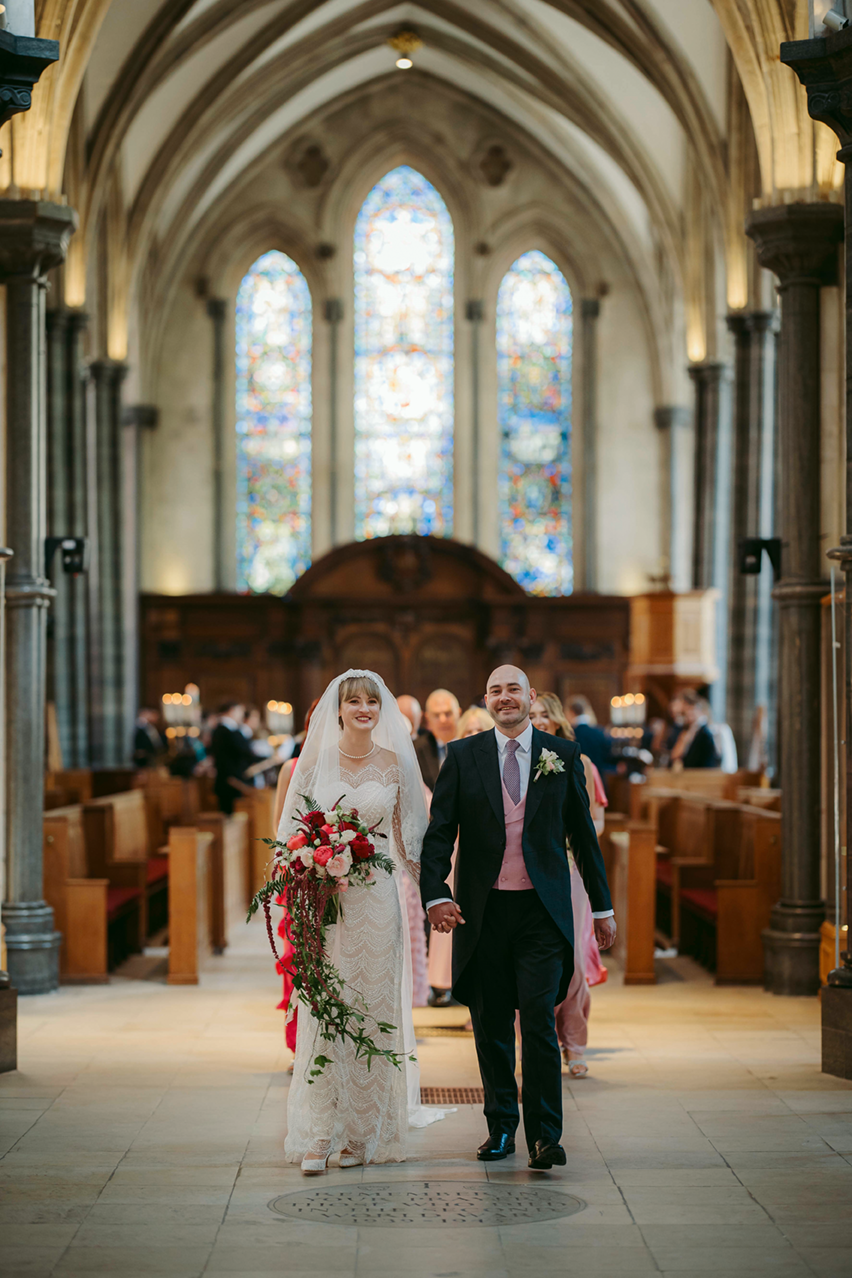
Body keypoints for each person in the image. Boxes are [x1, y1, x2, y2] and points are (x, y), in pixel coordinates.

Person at [421, 665, 616, 1171]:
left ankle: (545, 1136)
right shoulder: (463, 756)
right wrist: (435, 894)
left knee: (537, 1022)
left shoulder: (563, 755)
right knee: (490, 1025)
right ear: (485, 699)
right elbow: (440, 832)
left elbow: (583, 837)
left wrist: (602, 907)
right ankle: (502, 1128)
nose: (505, 698)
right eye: (495, 690)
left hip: (541, 911)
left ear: (531, 697)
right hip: (482, 910)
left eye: (514, 689)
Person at [282, 670, 447, 1173]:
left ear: (382, 711)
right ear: (337, 709)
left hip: (376, 902)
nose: (363, 709)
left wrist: (437, 897)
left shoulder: (397, 764)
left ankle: (361, 1134)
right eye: (353, 701)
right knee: (326, 1010)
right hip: (327, 905)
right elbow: (290, 834)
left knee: (370, 1012)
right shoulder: (314, 765)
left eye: (371, 702)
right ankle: (319, 1135)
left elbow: (411, 844)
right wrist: (310, 861)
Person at [530, 692, 608, 1077]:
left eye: (545, 714)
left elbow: (596, 824)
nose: (540, 720)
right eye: (533, 715)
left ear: (558, 719)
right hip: (529, 872)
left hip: (569, 867)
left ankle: (574, 1042)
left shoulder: (580, 761)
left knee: (572, 960)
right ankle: (532, 1043)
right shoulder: (517, 758)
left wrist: (564, 834)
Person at [427, 704, 494, 1005]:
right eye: (470, 731)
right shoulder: (457, 761)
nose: (475, 735)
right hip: (459, 855)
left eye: (481, 730)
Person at [210, 702, 255, 814]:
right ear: (231, 711)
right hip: (230, 781)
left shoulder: (229, 730)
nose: (241, 715)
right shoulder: (224, 731)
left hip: (232, 780)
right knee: (229, 815)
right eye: (239, 711)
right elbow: (241, 751)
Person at [415, 688, 461, 790]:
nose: (443, 720)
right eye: (436, 715)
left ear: (459, 713)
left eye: (448, 714)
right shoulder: (417, 749)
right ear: (428, 719)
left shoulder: (472, 744)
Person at [669, 689, 721, 768]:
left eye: (686, 710)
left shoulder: (706, 732)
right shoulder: (687, 730)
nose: (685, 715)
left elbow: (709, 761)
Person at [565, 695, 610, 778]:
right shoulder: (599, 732)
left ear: (571, 712)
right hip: (597, 778)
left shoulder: (569, 734)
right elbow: (607, 757)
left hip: (578, 781)